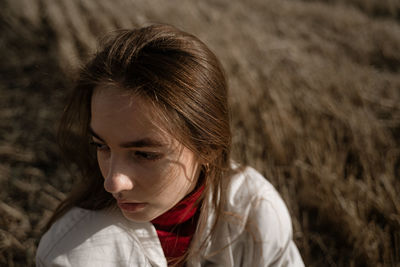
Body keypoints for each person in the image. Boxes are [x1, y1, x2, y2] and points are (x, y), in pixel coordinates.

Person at [36, 24, 304, 267]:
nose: (113, 183)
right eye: (102, 146)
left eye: (144, 154)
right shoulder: (76, 255)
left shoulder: (254, 213)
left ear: (207, 148)